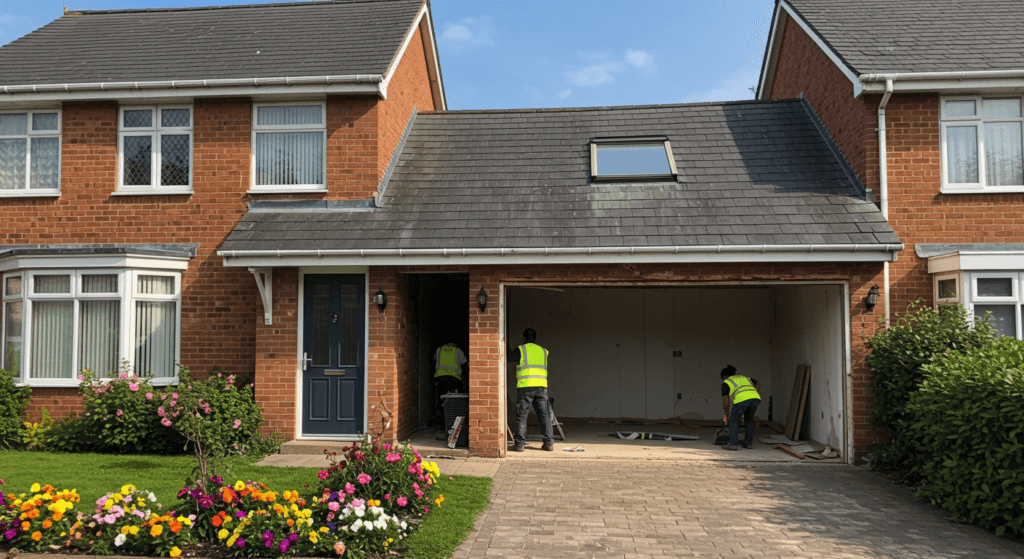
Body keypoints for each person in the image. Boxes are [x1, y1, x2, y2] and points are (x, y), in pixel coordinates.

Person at [507, 328, 554, 452]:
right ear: (535, 338)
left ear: (524, 338)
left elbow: (510, 358)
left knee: (522, 415)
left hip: (526, 387)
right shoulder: (544, 351)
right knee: (544, 415)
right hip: (541, 387)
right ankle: (549, 443)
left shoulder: (521, 349)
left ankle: (519, 444)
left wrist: (505, 345)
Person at [720, 364, 761, 451]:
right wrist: (752, 393)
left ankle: (733, 444)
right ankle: (748, 444)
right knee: (749, 420)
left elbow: (725, 400)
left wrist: (726, 415)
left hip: (741, 399)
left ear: (724, 376)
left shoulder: (726, 382)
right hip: (755, 399)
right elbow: (758, 384)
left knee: (734, 420)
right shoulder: (744, 378)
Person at [434, 343, 467, 422]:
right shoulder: (458, 351)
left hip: (440, 378)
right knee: (457, 399)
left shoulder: (439, 350)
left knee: (440, 399)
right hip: (454, 379)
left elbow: (435, 359)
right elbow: (465, 363)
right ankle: (456, 419)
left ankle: (441, 420)